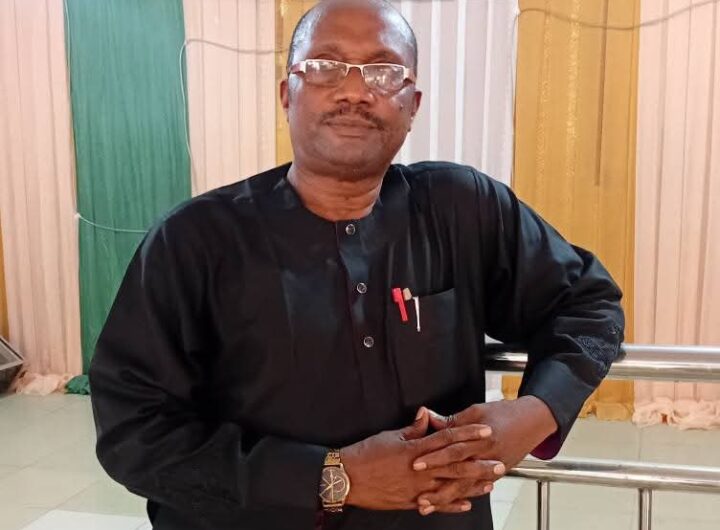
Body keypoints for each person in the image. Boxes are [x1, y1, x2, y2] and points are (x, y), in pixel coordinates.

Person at [88, 1, 625, 529]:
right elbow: (134, 433)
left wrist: (535, 413)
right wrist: (331, 479)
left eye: (383, 71)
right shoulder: (194, 240)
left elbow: (589, 302)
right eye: (325, 66)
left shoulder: (462, 210)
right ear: (287, 93)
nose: (354, 90)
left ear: (412, 106)